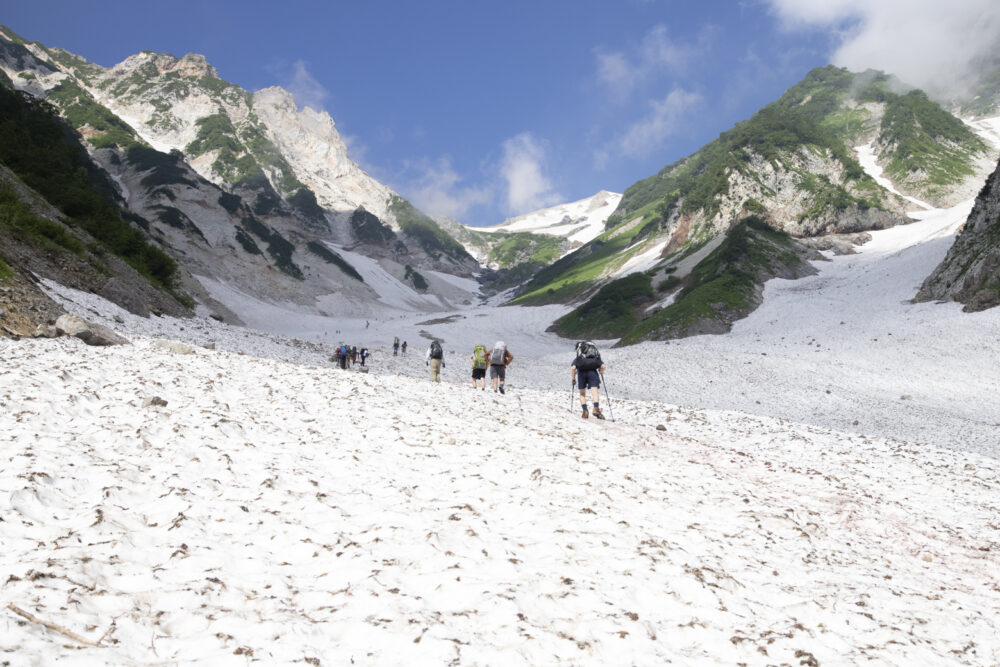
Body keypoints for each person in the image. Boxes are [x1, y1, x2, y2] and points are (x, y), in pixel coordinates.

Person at [571, 341, 605, 419]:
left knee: (582, 394)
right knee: (595, 393)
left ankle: (585, 411)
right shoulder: (595, 358)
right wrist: (601, 372)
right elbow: (603, 366)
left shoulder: (578, 359)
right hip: (593, 373)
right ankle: (596, 408)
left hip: (581, 374)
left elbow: (573, 368)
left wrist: (573, 379)